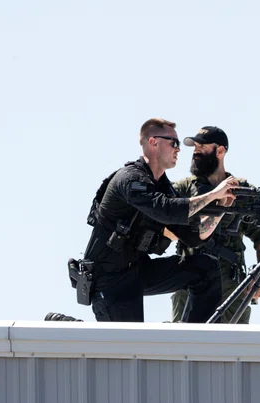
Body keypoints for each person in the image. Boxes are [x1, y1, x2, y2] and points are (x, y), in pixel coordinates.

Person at [80, 118, 238, 323]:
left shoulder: (162, 186)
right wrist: (213, 195)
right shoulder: (130, 179)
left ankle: (191, 339)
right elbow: (165, 210)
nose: (179, 150)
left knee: (205, 268)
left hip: (137, 271)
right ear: (153, 142)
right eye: (174, 143)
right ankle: (66, 325)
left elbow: (193, 236)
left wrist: (221, 207)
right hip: (110, 280)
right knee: (129, 350)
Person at [169, 126, 260, 324]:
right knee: (183, 345)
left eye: (203, 146)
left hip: (230, 284)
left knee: (234, 348)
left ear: (220, 151)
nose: (196, 151)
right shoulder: (183, 189)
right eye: (195, 147)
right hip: (190, 278)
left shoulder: (241, 190)